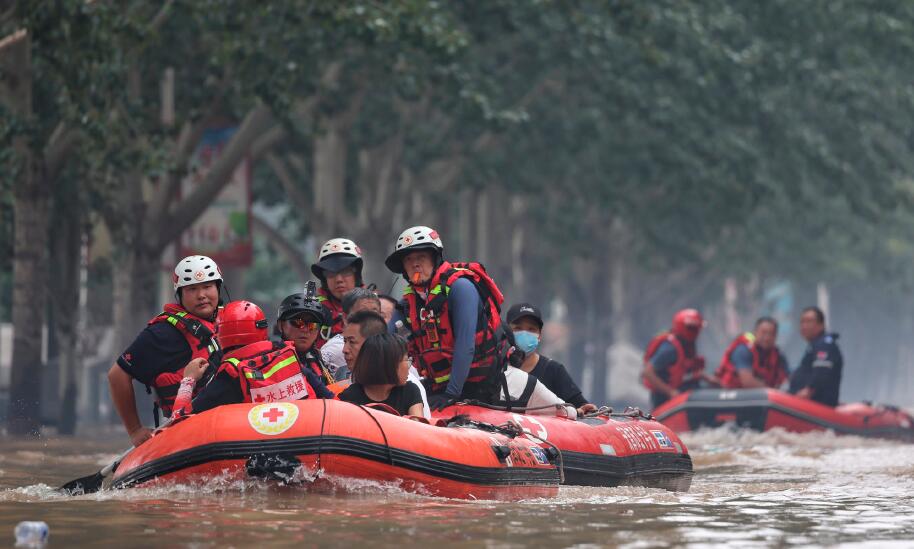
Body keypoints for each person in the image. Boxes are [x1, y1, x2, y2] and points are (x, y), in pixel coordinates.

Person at [385, 225, 511, 411]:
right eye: (408, 259)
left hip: (481, 386)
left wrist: (451, 394)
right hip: (438, 387)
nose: (415, 264)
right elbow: (385, 343)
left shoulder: (461, 288)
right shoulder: (407, 303)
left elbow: (466, 344)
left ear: (435, 258)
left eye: (421, 257)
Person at [108, 255, 224, 446]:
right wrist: (135, 430)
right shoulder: (162, 333)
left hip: (230, 422)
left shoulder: (231, 321)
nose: (201, 295)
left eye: (207, 286)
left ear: (218, 288)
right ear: (180, 294)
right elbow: (117, 375)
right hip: (189, 430)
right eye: (192, 289)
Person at [171, 300, 332, 417]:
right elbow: (330, 398)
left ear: (221, 334)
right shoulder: (287, 355)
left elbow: (180, 418)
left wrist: (189, 379)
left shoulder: (230, 374)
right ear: (262, 328)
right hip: (310, 436)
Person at [506, 302, 597, 416]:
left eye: (531, 329)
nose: (525, 334)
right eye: (518, 328)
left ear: (539, 335)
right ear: (506, 332)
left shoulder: (554, 370)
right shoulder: (496, 369)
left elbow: (581, 407)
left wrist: (584, 410)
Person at [343, 310, 431, 418]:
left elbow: (419, 428)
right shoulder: (350, 395)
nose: (344, 350)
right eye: (406, 359)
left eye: (351, 342)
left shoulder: (410, 388)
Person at [338, 333, 425, 417]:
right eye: (406, 360)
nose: (408, 367)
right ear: (390, 365)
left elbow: (418, 427)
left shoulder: (409, 391)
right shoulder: (350, 397)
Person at [642, 308, 714, 409]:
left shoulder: (688, 345)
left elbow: (686, 371)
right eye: (691, 328)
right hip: (665, 398)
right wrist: (670, 392)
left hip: (686, 392)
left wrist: (707, 378)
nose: (695, 332)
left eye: (697, 328)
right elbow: (647, 372)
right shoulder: (669, 348)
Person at [274, 290, 336, 386]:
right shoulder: (268, 361)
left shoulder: (319, 360)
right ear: (280, 325)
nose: (305, 330)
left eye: (312, 325)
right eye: (298, 322)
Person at [310, 238, 364, 348]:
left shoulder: (378, 306)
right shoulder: (311, 311)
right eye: (330, 273)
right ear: (324, 279)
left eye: (345, 271)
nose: (339, 279)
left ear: (356, 275)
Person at [320, 288, 381, 380]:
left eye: (374, 313)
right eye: (363, 313)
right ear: (345, 318)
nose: (370, 319)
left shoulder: (392, 345)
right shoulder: (333, 350)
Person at [788, 306, 843, 406]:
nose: (804, 326)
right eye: (802, 322)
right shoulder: (815, 346)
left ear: (821, 325)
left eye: (809, 321)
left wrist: (807, 391)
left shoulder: (824, 344)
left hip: (816, 406)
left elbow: (821, 372)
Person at [715, 317, 789, 389]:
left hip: (764, 399)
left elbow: (787, 379)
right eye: (764, 333)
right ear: (755, 332)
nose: (767, 338)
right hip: (734, 398)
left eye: (771, 334)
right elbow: (747, 382)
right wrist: (773, 392)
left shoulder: (778, 356)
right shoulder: (743, 350)